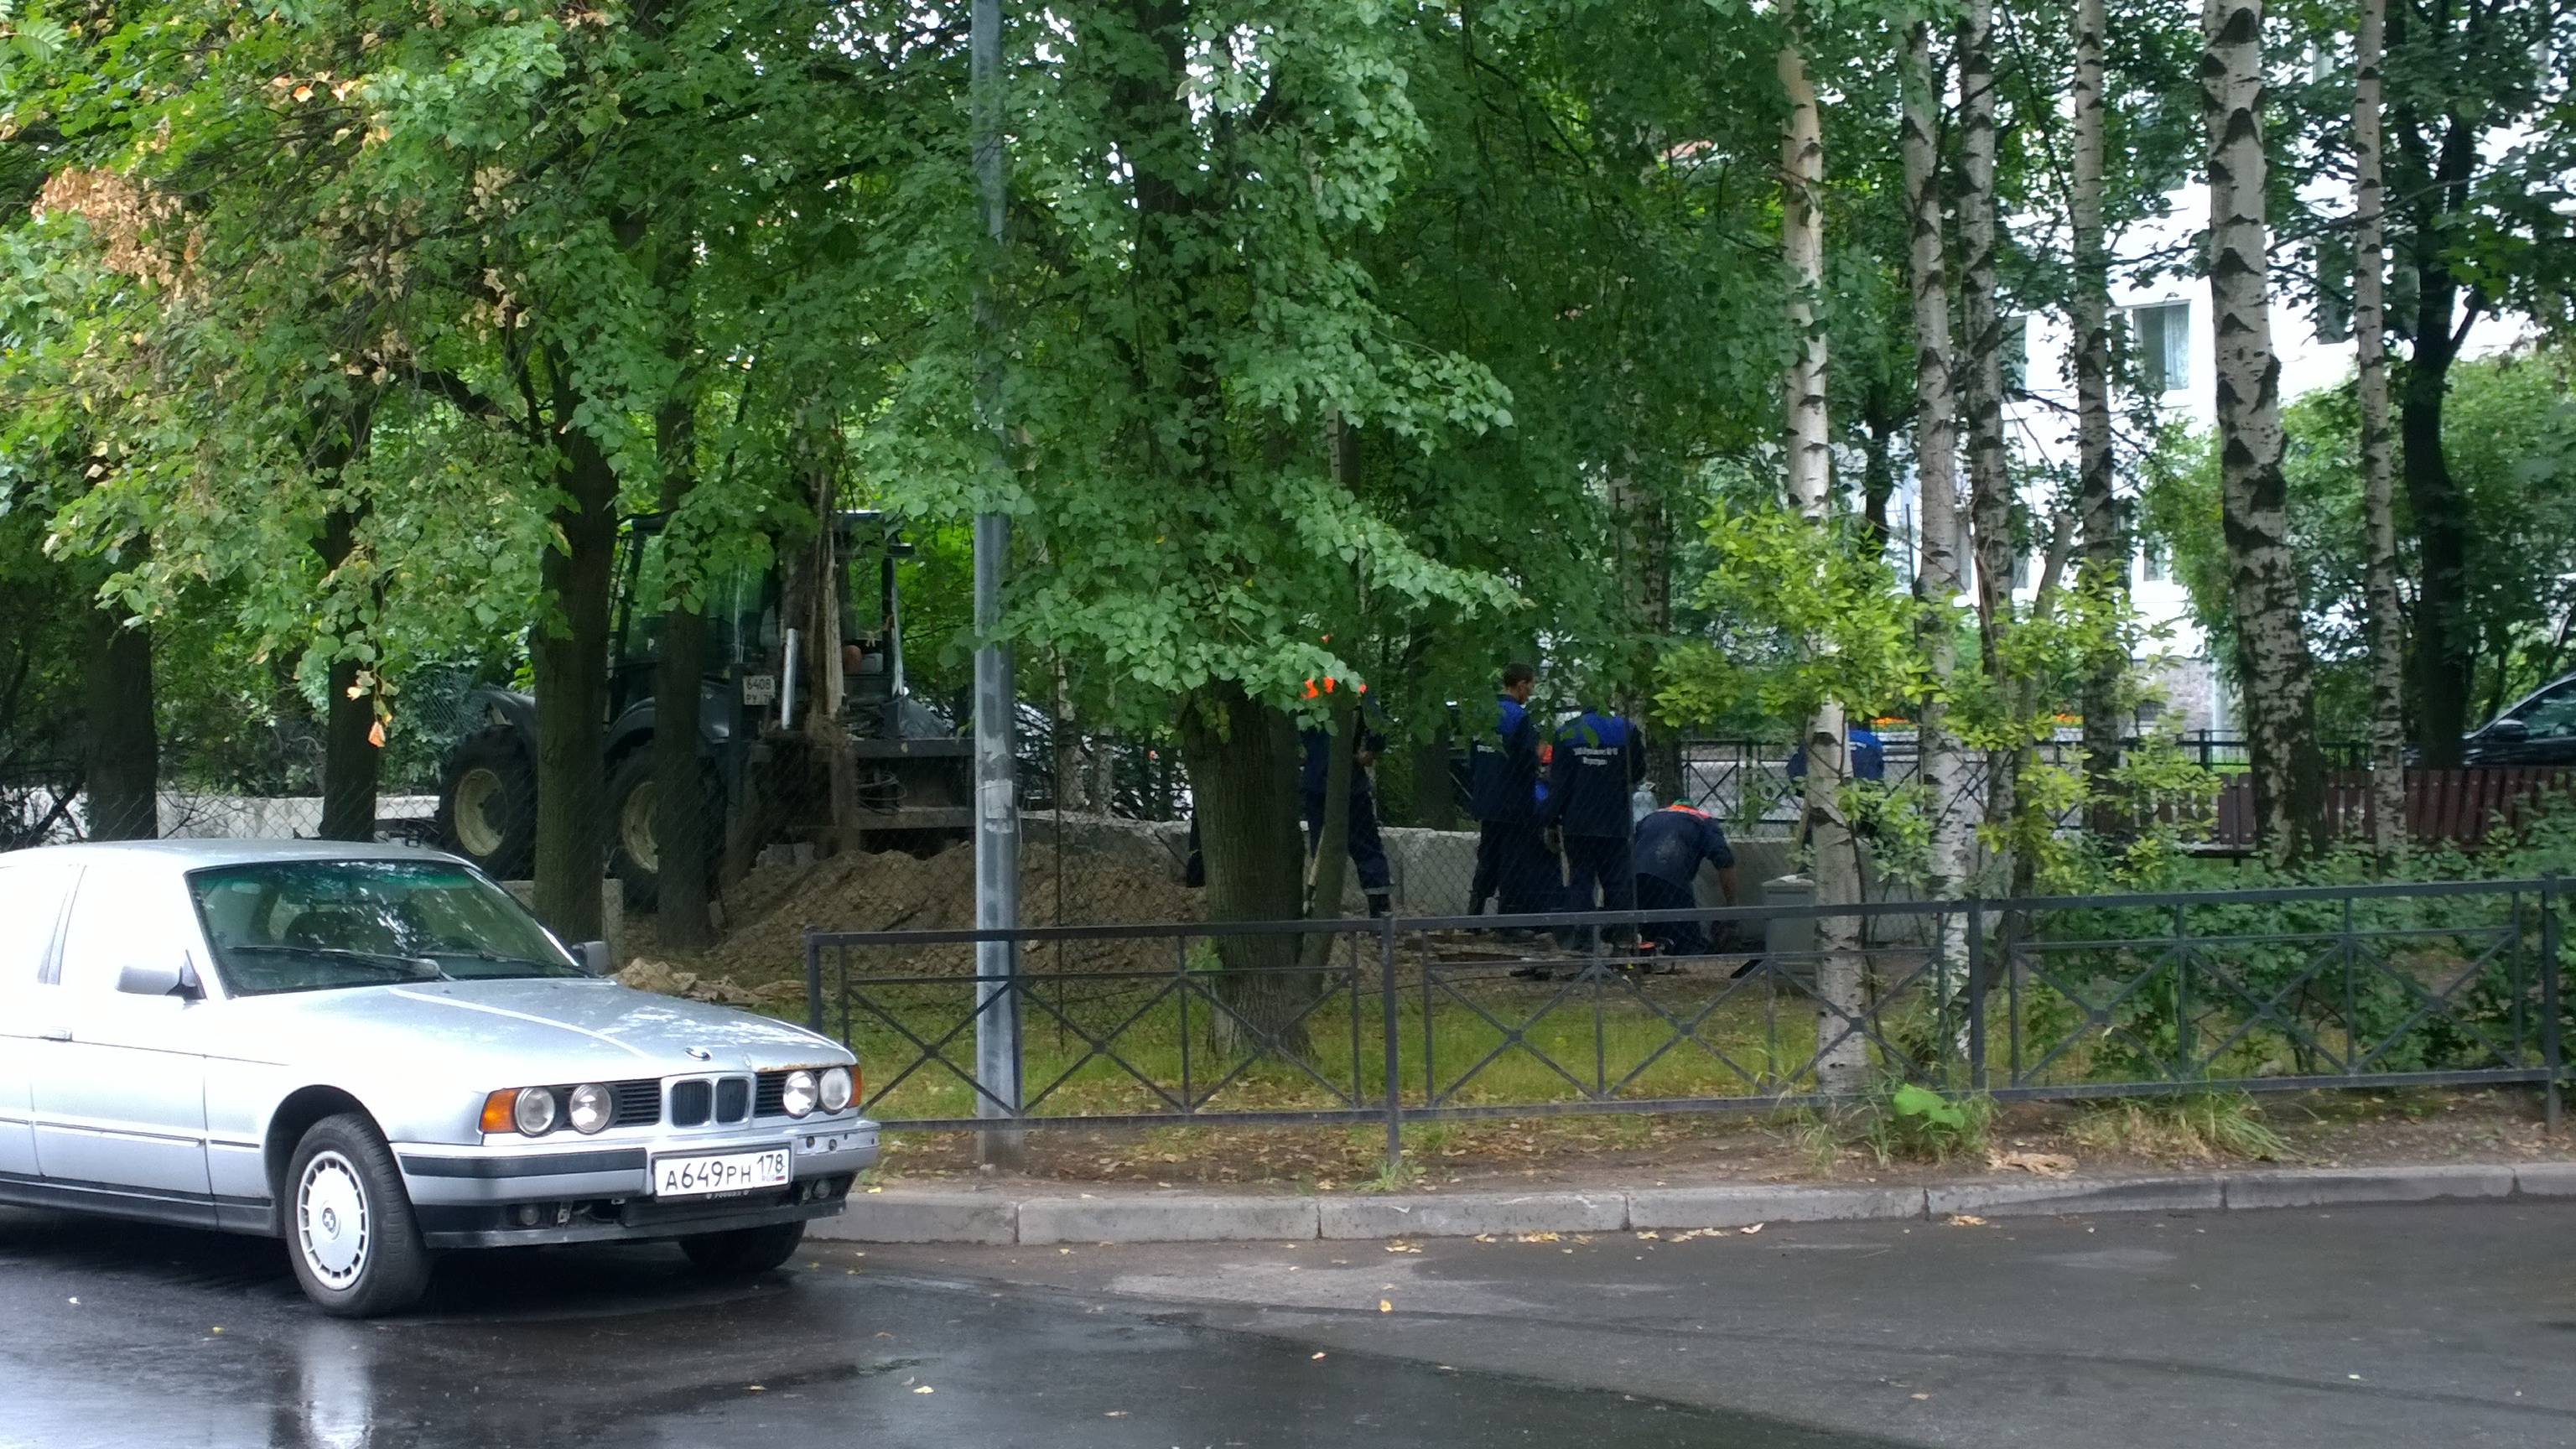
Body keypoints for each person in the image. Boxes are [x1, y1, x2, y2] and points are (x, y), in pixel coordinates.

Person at [1539, 701, 1646, 948]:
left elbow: (1560, 784)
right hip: (1614, 820)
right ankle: (1622, 939)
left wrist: (1550, 820)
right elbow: (1638, 771)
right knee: (1617, 882)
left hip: (1578, 822)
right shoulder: (1626, 729)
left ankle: (1582, 942)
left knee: (1581, 881)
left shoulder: (1567, 731)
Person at [1467, 663, 1549, 921]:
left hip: (1486, 798)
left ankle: (1474, 913)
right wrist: (1540, 751)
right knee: (1513, 862)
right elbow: (1527, 762)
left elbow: (1473, 758)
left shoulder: (1484, 713)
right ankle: (1509, 922)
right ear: (1521, 684)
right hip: (1513, 802)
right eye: (1531, 686)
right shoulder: (1520, 718)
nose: (1531, 693)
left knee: (1488, 857)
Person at [1301, 699, 1392, 917]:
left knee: (1327, 850)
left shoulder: (1304, 689)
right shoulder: (1353, 690)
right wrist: (1370, 750)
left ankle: (1322, 907)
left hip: (1322, 784)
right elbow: (1378, 725)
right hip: (1346, 785)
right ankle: (1380, 912)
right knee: (1366, 849)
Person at [1633, 802, 1739, 965]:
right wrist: (1732, 905)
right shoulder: (1704, 821)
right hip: (1671, 877)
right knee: (1689, 944)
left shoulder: (1650, 817)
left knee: (1647, 934)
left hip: (1634, 877)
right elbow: (1724, 860)